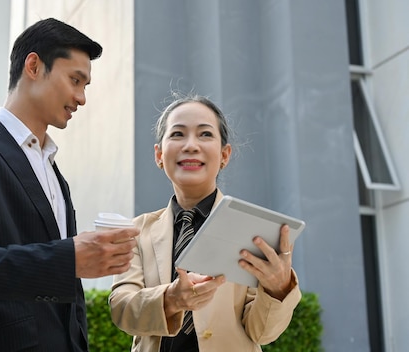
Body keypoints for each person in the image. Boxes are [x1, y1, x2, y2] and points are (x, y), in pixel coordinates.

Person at [0, 18, 139, 351]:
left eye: (85, 86)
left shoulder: (53, 170)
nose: (81, 98)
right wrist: (67, 260)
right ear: (34, 66)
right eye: (75, 80)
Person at [109, 94, 301, 352]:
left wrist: (278, 290)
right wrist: (170, 300)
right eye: (177, 134)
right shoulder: (134, 232)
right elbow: (122, 308)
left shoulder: (253, 231)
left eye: (205, 134)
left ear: (225, 154)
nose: (190, 145)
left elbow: (261, 332)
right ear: (159, 154)